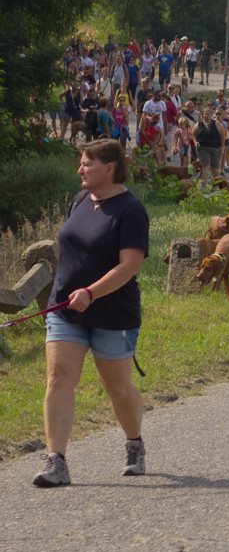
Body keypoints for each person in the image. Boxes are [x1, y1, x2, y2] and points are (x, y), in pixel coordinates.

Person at [35, 139, 150, 487]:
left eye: (87, 163)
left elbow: (130, 265)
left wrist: (91, 292)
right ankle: (57, 460)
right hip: (65, 310)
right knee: (58, 378)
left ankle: (134, 443)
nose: (80, 169)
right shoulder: (81, 200)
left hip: (112, 314)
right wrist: (72, 292)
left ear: (109, 168)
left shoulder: (130, 210)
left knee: (118, 387)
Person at [194, 105, 226, 184]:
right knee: (205, 167)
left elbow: (222, 135)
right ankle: (203, 186)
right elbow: (193, 134)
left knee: (215, 169)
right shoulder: (199, 123)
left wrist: (222, 147)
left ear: (211, 115)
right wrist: (195, 142)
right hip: (202, 148)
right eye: (204, 114)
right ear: (202, 115)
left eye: (208, 114)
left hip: (215, 148)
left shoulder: (216, 123)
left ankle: (217, 185)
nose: (206, 115)